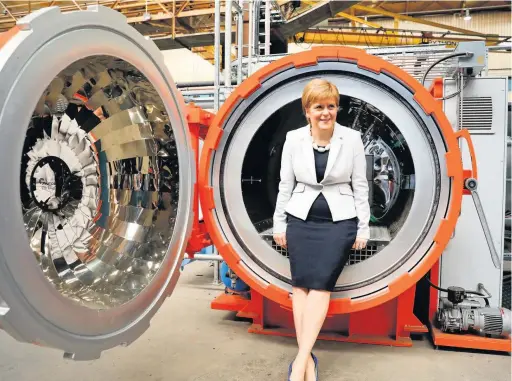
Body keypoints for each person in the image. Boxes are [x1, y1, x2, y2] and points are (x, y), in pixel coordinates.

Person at [272, 78, 371, 381]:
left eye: (330, 106)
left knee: (320, 286)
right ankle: (307, 360)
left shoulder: (352, 139)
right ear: (307, 111)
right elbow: (285, 184)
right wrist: (279, 222)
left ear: (337, 108)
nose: (325, 112)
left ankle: (301, 360)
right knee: (300, 286)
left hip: (339, 223)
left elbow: (360, 185)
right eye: (318, 107)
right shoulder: (293, 139)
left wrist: (363, 227)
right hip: (300, 220)